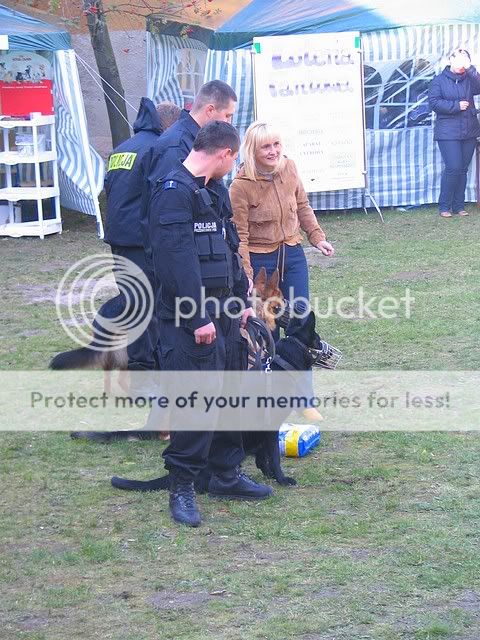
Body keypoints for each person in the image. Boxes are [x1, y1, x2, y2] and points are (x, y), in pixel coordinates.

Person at [149, 121, 273, 527]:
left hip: (225, 314)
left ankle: (225, 474)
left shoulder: (213, 190)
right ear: (223, 153)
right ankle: (182, 486)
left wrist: (242, 302)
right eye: (232, 159)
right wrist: (197, 317)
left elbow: (229, 249)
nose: (232, 165)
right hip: (190, 319)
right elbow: (175, 261)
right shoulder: (173, 193)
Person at [229, 121, 334, 422]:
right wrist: (247, 273)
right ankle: (269, 397)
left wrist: (317, 236)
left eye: (276, 144)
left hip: (293, 253)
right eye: (266, 146)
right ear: (253, 150)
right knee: (266, 328)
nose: (274, 151)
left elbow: (302, 206)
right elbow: (240, 235)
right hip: (260, 260)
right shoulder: (240, 185)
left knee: (301, 320)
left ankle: (304, 399)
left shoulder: (289, 168)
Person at [103, 98, 181, 372]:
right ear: (170, 125)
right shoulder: (157, 149)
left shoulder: (122, 149)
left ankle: (139, 363)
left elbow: (110, 192)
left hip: (118, 238)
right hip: (141, 240)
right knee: (148, 307)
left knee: (133, 301)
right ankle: (143, 368)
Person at [428, 48, 480, 218]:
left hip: (469, 130)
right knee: (453, 167)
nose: (460, 63)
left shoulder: (470, 79)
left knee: (463, 169)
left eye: (464, 59)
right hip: (447, 132)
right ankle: (444, 205)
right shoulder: (439, 80)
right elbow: (434, 103)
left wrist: (471, 68)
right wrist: (456, 106)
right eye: (458, 59)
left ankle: (459, 206)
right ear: (450, 60)